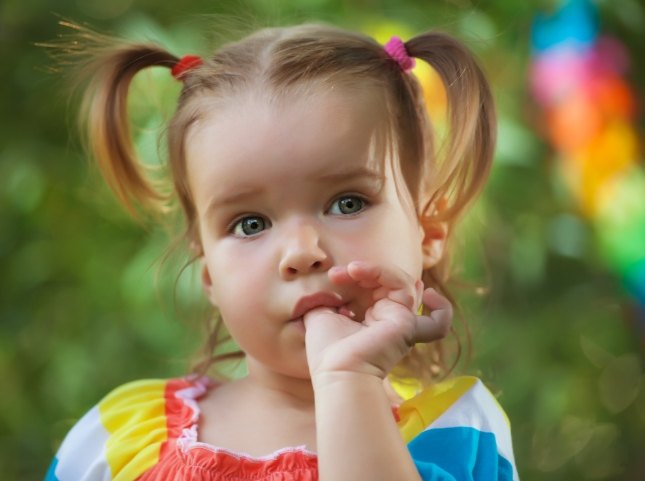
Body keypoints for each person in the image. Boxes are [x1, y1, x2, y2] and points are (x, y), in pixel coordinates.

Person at [45, 20, 519, 481]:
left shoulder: (458, 431)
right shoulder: (116, 439)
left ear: (428, 232)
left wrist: (348, 380)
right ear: (208, 271)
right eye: (250, 224)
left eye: (347, 202)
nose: (301, 252)